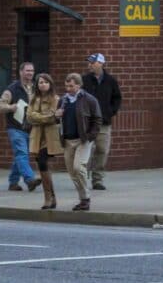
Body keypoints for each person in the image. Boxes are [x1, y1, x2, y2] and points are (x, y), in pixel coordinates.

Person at [56, 72, 101, 212]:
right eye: (66, 85)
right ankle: (82, 199)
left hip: (83, 139)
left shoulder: (89, 100)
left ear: (79, 85)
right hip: (68, 140)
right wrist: (56, 116)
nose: (68, 88)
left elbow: (97, 119)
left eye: (71, 86)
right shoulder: (63, 100)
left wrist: (90, 136)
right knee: (72, 172)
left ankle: (86, 198)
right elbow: (57, 120)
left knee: (78, 168)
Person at [0, 60, 39, 193]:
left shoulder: (36, 88)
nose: (30, 73)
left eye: (32, 71)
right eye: (27, 70)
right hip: (15, 127)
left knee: (20, 156)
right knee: (22, 153)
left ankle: (13, 183)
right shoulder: (12, 89)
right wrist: (11, 107)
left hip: (31, 128)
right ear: (21, 72)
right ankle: (29, 179)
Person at [82, 53, 122, 191]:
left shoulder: (111, 81)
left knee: (102, 151)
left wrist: (111, 111)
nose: (89, 65)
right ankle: (82, 178)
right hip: (87, 122)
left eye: (92, 63)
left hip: (104, 123)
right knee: (85, 151)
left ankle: (97, 180)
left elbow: (117, 98)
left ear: (101, 63)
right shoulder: (84, 80)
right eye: (89, 63)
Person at [24, 73, 62, 210]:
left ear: (50, 84)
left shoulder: (56, 99)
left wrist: (38, 117)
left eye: (46, 82)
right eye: (40, 82)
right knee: (41, 165)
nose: (43, 84)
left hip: (50, 137)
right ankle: (52, 198)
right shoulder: (33, 99)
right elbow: (29, 116)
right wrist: (44, 117)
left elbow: (53, 117)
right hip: (37, 136)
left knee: (42, 161)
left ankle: (48, 197)